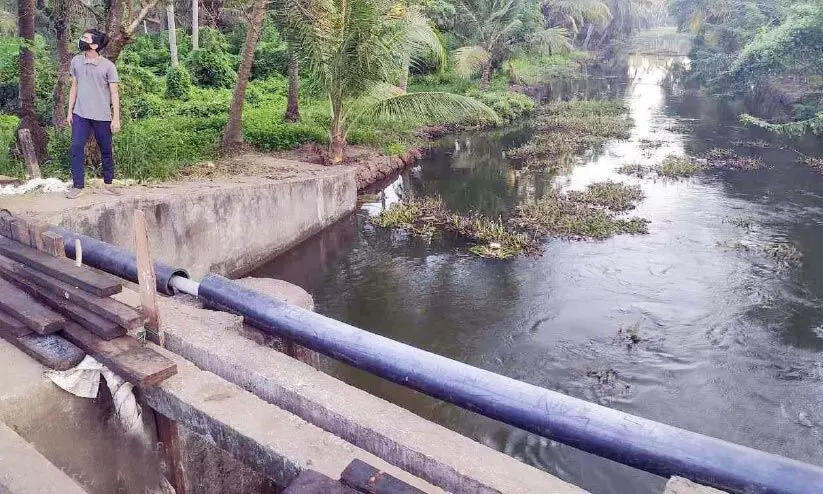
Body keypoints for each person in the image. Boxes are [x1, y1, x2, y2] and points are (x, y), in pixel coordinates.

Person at [65, 29, 121, 199]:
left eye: (85, 38)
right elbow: (74, 86)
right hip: (80, 114)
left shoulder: (108, 67)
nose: (81, 40)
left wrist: (116, 118)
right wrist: (70, 111)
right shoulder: (76, 61)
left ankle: (108, 183)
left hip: (102, 116)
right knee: (76, 146)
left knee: (105, 149)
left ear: (95, 45)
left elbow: (114, 94)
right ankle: (78, 185)